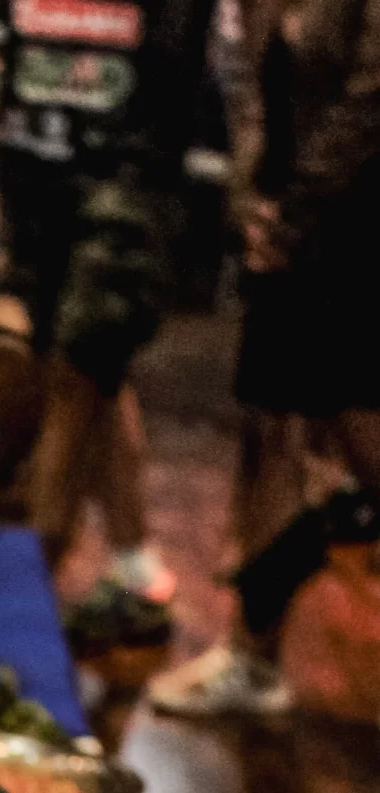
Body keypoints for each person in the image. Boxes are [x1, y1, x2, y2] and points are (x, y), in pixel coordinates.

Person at [0, 0, 214, 611]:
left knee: (79, 364)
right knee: (79, 363)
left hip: (129, 161)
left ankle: (27, 581)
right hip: (32, 151)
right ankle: (134, 557)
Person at [149, 0, 380, 715]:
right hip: (292, 227)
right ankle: (252, 655)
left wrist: (295, 214)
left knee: (361, 433)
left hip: (351, 224)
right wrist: (252, 204)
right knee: (268, 432)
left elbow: (369, 103)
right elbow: (257, 98)